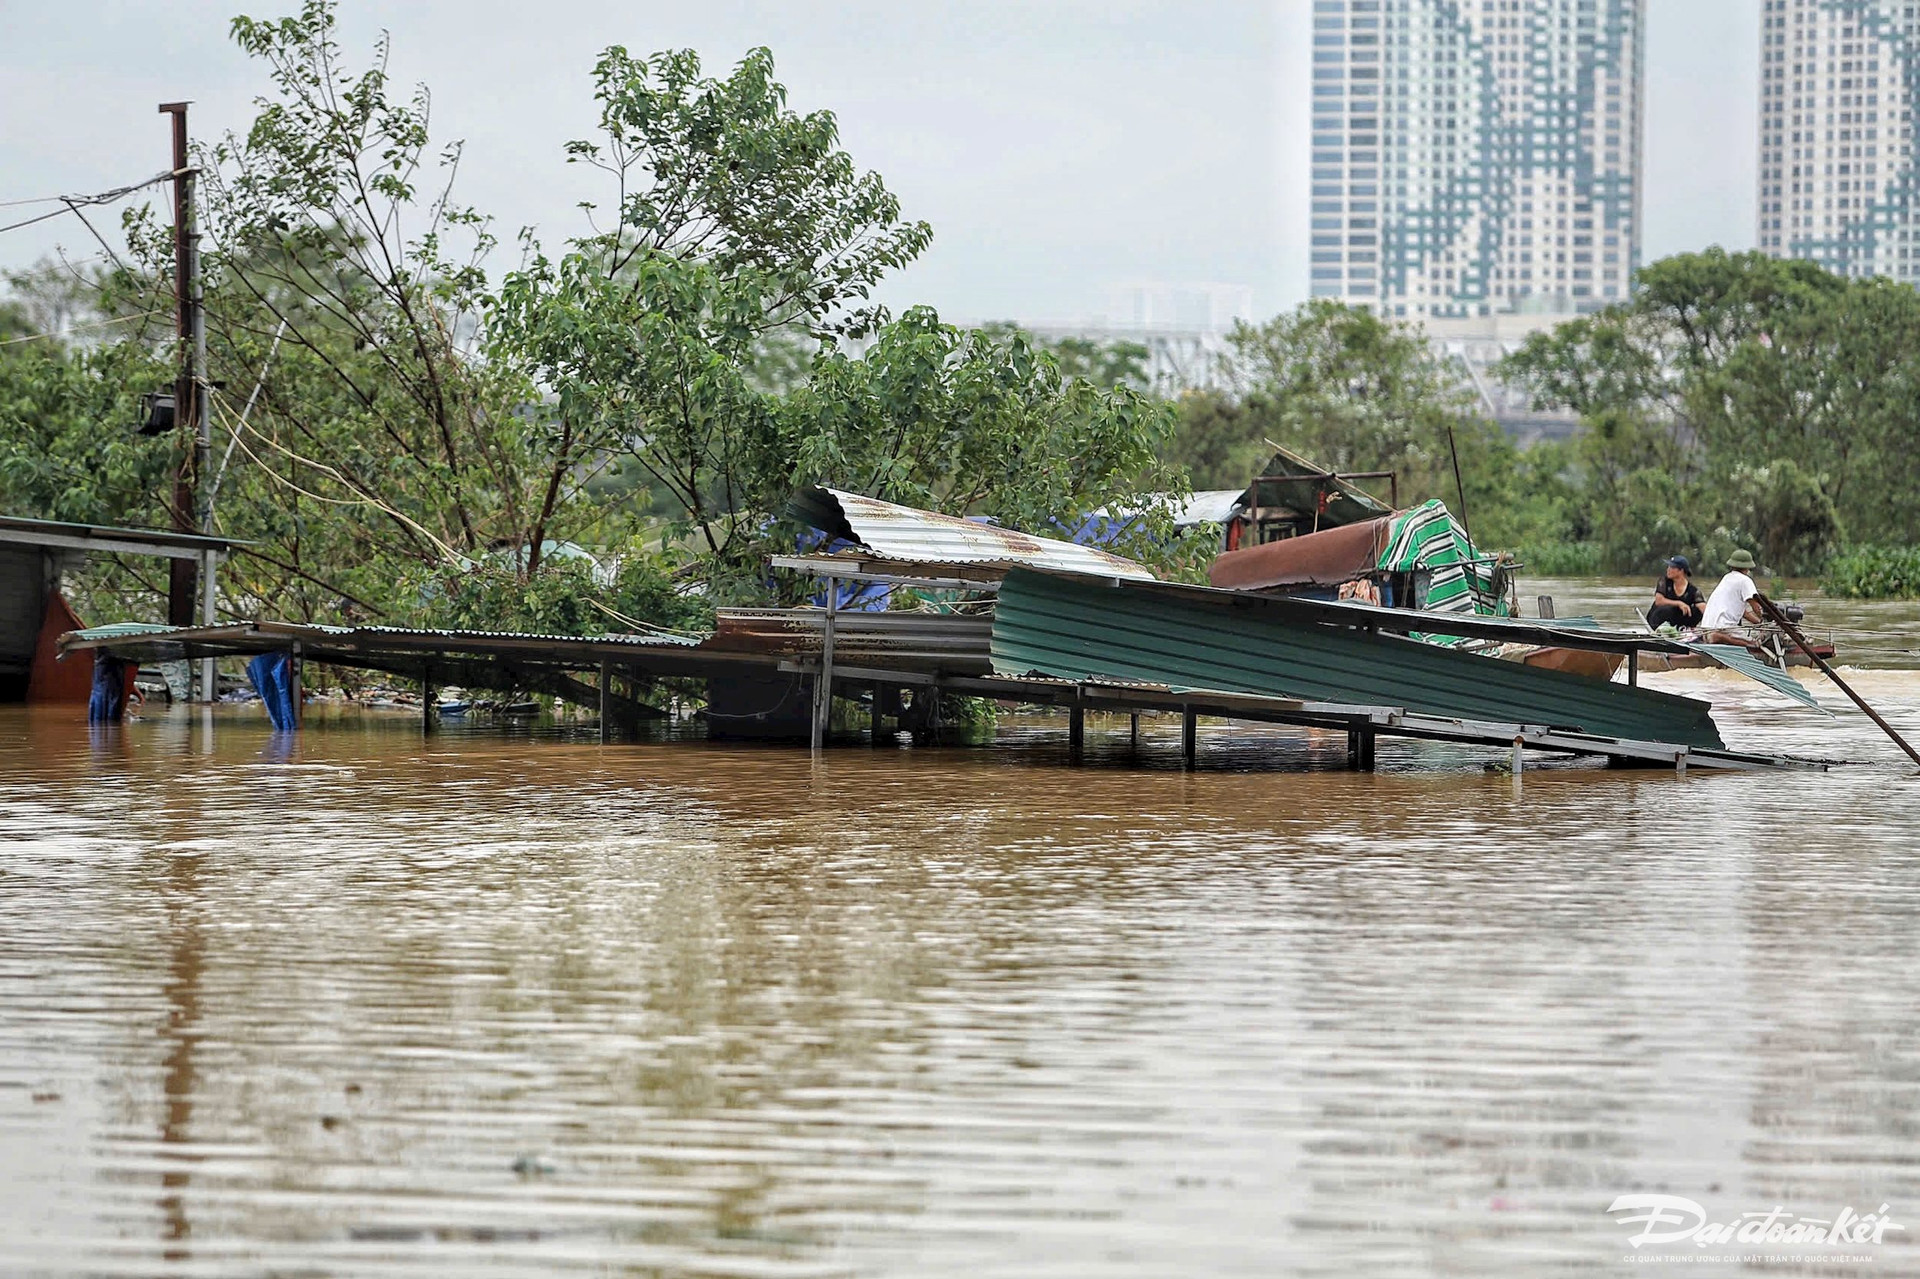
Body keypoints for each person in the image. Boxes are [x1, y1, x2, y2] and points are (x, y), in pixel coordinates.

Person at [1702, 549, 1765, 643]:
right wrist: (1764, 618)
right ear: (1748, 567)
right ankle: (1719, 637)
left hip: (1706, 628)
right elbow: (1756, 607)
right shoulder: (1745, 580)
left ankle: (1716, 636)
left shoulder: (1726, 578)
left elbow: (1744, 613)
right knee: (1754, 643)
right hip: (1724, 628)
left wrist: (1760, 624)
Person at [1646, 555, 1704, 630]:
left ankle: (1687, 631)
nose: (1668, 570)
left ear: (1681, 571)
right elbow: (1659, 601)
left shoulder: (1693, 591)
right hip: (1658, 619)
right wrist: (1679, 603)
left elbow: (1703, 608)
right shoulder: (1664, 581)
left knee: (1696, 611)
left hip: (1677, 623)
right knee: (1670, 609)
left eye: (1672, 567)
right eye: (1668, 567)